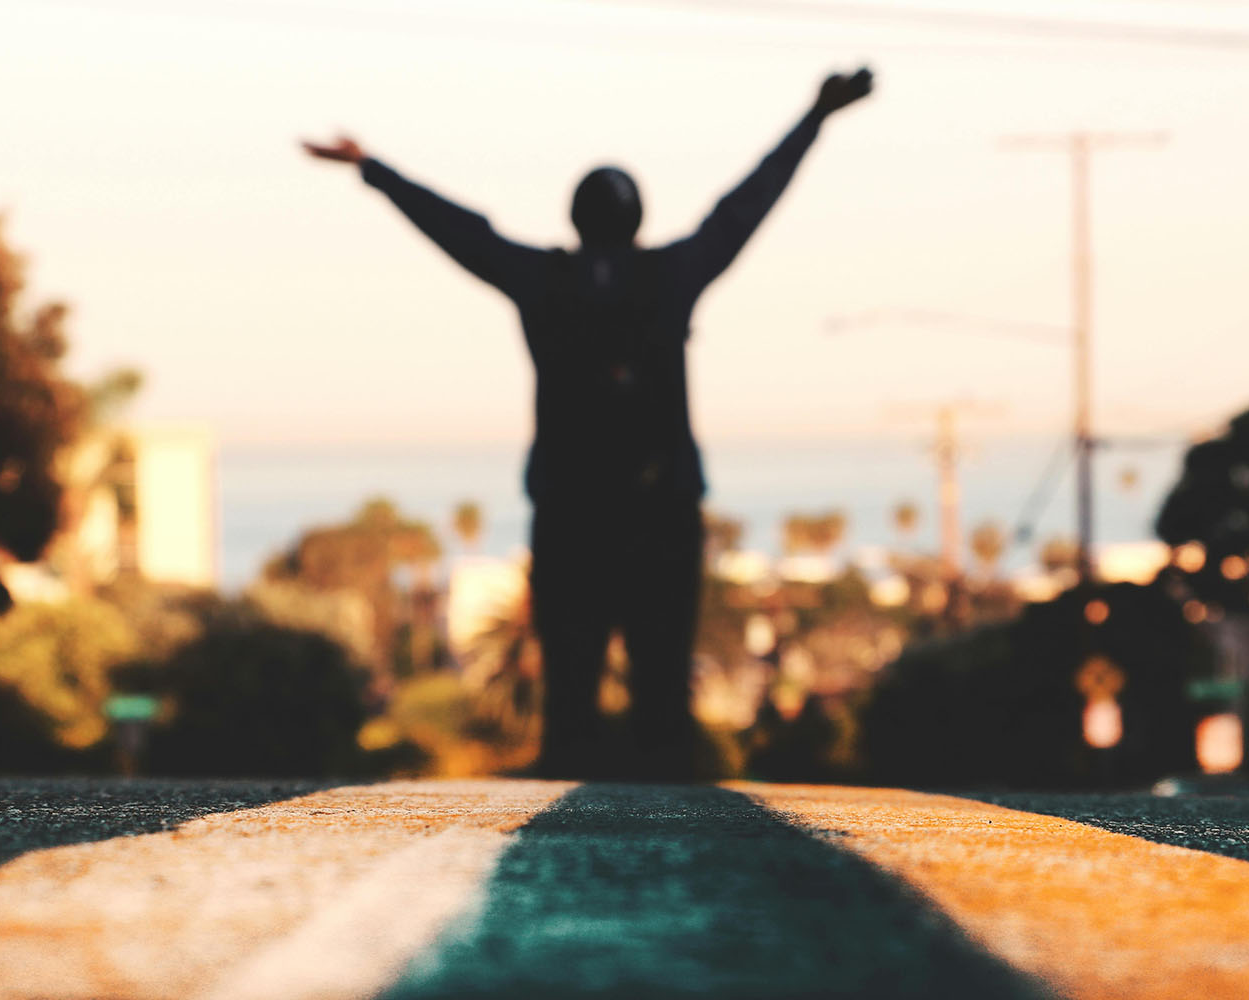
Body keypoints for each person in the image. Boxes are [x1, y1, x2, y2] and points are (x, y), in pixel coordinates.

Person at [304, 69, 873, 779]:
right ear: (638, 221)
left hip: (572, 516)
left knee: (569, 703)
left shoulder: (545, 280)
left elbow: (460, 232)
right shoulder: (671, 274)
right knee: (662, 701)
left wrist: (372, 169)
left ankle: (562, 866)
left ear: (575, 220)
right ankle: (668, 865)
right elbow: (744, 207)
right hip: (660, 513)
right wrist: (814, 116)